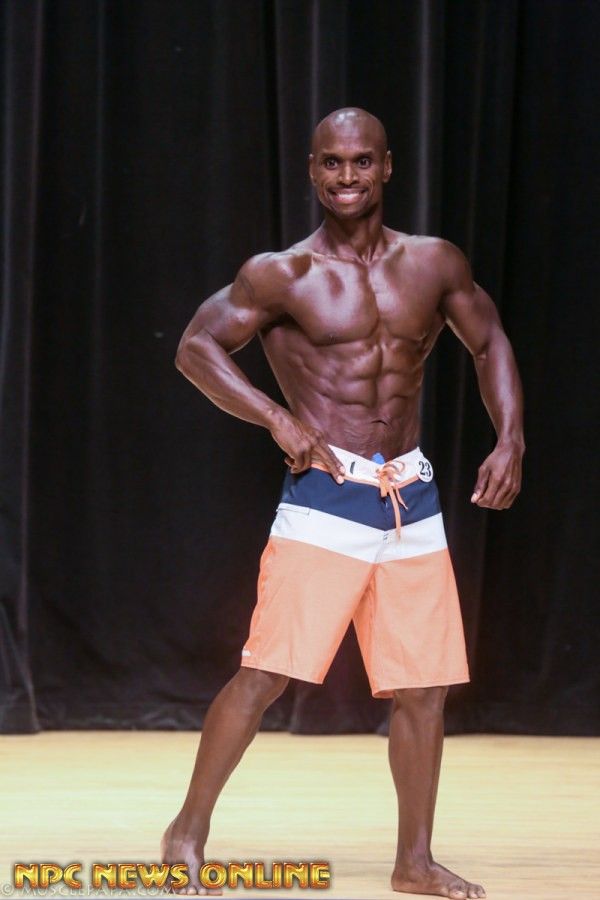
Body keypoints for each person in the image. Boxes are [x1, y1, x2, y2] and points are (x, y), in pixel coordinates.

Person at [162, 107, 524, 899]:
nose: (348, 176)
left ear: (387, 166)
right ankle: (185, 832)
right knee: (267, 672)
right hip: (327, 495)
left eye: (362, 161)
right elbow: (194, 347)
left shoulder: (433, 263)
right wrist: (276, 417)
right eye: (332, 163)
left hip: (411, 496)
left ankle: (414, 861)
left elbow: (489, 340)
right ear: (313, 171)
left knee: (423, 688)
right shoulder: (282, 275)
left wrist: (511, 439)